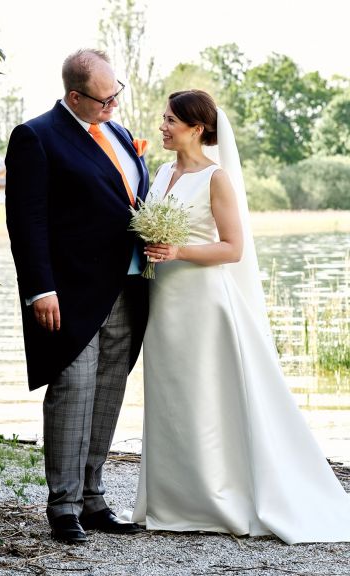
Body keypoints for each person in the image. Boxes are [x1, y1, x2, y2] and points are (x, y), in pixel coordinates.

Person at [131, 89, 350, 543]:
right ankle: (172, 500)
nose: (163, 126)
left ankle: (218, 496)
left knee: (208, 394)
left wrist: (179, 250)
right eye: (164, 118)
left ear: (197, 128)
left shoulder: (216, 179)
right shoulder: (162, 171)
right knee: (172, 395)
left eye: (171, 120)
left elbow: (233, 248)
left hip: (203, 301)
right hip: (164, 300)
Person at [4, 48, 150, 544]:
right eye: (105, 99)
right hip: (68, 293)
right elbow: (27, 221)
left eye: (116, 94)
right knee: (73, 391)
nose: (113, 104)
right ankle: (63, 505)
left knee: (110, 389)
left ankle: (94, 498)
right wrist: (40, 289)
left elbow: (130, 202)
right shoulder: (36, 137)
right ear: (74, 96)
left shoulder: (120, 135)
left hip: (129, 285)